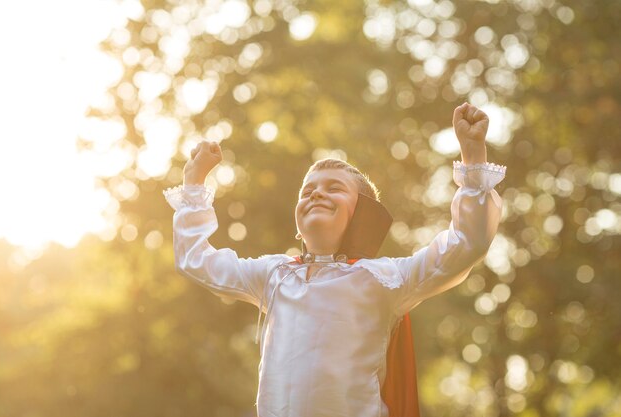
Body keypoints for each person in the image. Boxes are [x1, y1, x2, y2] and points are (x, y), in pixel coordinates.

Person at [162, 103, 506, 417]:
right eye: (308, 190)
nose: (316, 193)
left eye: (334, 188)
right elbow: (196, 261)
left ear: (363, 217)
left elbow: (466, 244)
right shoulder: (274, 276)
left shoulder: (384, 279)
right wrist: (194, 182)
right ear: (298, 227)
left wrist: (473, 155)